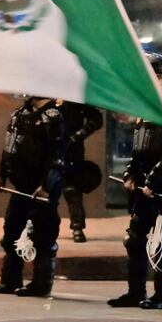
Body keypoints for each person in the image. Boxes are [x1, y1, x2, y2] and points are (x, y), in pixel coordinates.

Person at [108, 52, 162, 309]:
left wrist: (155, 181)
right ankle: (135, 291)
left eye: (156, 76)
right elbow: (138, 150)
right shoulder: (144, 109)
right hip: (143, 189)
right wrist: (130, 175)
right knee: (135, 239)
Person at [0, 95, 66, 297]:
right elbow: (8, 148)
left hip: (40, 187)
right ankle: (10, 280)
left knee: (43, 233)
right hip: (20, 185)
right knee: (12, 230)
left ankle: (41, 283)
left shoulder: (52, 116)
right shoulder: (19, 114)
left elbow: (57, 156)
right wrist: (0, 175)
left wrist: (47, 186)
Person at [57, 101, 103, 243]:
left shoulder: (75, 96)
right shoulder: (47, 93)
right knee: (41, 186)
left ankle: (77, 227)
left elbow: (96, 119)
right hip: (49, 147)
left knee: (72, 189)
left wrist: (78, 135)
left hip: (72, 149)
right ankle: (34, 224)